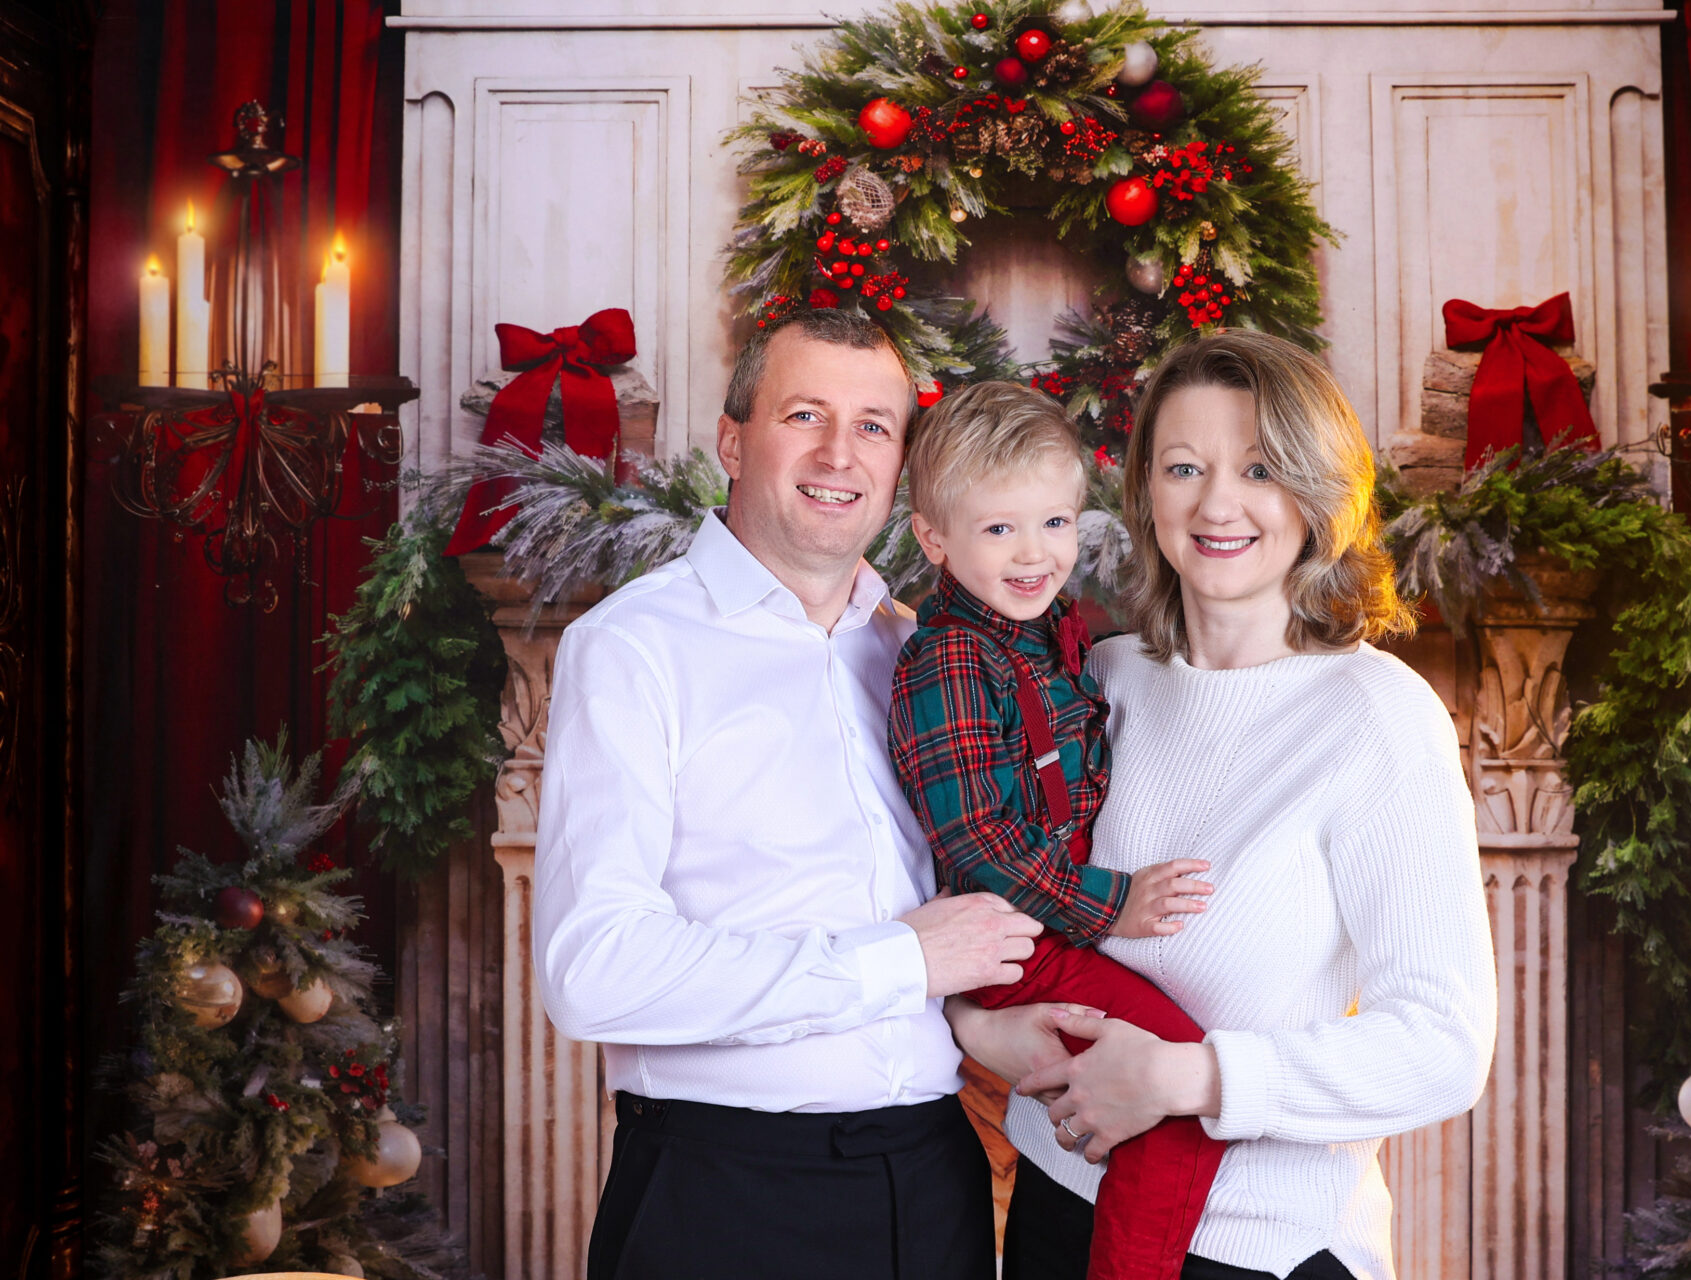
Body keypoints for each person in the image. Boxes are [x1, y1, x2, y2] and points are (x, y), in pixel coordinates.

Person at [532, 308, 1053, 1280]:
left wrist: (999, 1022)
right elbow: (592, 966)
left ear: (901, 461)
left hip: (933, 1179)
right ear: (733, 439)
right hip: (723, 1193)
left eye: (873, 425)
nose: (839, 453)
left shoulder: (922, 653)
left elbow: (965, 921)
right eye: (805, 414)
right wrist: (892, 961)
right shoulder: (633, 646)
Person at [988, 329, 1499, 1280]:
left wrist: (1191, 1079)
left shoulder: (1375, 717)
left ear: (1316, 491)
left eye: (1260, 468)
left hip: (1251, 1245)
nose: (1217, 503)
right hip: (1058, 1210)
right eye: (1184, 467)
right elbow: (995, 894)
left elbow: (1444, 1045)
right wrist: (983, 1028)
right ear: (1145, 490)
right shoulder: (1100, 679)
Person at [888, 380, 1229, 1280]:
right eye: (999, 530)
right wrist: (1114, 903)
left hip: (1048, 929)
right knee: (1183, 1086)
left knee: (1164, 1082)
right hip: (1015, 938)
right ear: (935, 539)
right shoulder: (949, 660)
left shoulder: (1049, 634)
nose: (1035, 554)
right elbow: (981, 850)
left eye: (1055, 524)